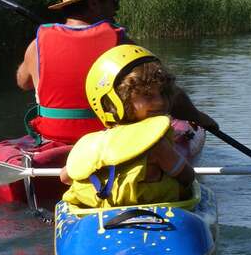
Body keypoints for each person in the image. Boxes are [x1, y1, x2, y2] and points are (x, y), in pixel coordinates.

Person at [16, 0, 217, 146]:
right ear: (94, 2)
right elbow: (165, 89)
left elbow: (22, 82)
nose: (115, 8)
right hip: (108, 141)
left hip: (51, 138)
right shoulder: (119, 43)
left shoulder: (37, 45)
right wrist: (198, 117)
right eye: (113, 1)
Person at [60, 45, 195, 207]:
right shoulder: (157, 145)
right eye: (147, 95)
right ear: (116, 100)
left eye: (163, 93)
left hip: (98, 215)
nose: (160, 102)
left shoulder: (96, 143)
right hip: (153, 211)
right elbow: (187, 177)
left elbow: (65, 177)